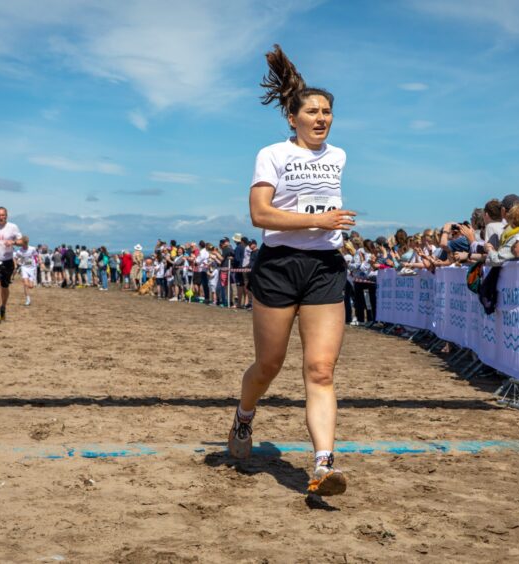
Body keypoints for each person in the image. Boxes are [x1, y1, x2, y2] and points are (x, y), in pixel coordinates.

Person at [228, 45, 356, 497]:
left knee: (320, 370)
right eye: (312, 112)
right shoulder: (272, 155)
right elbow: (260, 215)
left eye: (327, 112)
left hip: (325, 266)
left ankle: (323, 465)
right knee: (269, 364)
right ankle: (244, 416)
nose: (321, 118)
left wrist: (329, 228)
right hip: (279, 266)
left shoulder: (338, 156)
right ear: (292, 118)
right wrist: (316, 220)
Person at [14, 235, 38, 306]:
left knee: (31, 286)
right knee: (25, 283)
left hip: (32, 268)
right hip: (24, 267)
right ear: (22, 243)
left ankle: (31, 283)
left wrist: (40, 262)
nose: (26, 245)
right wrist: (15, 264)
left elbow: (36, 255)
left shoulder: (32, 249)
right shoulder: (19, 251)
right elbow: (14, 258)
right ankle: (28, 299)